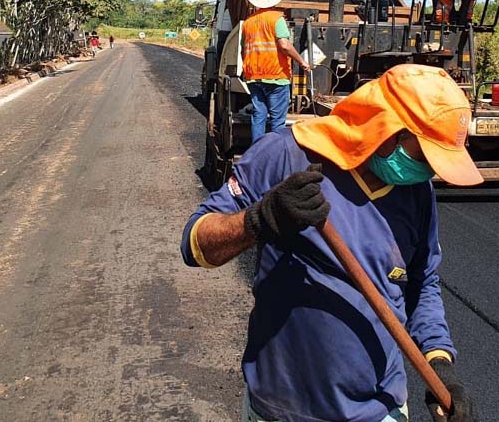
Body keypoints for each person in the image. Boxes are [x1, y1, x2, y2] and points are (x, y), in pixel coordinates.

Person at [181, 64, 483, 422]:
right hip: (283, 410)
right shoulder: (286, 156)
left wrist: (440, 360)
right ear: (387, 129)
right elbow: (195, 243)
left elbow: (423, 282)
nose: (430, 171)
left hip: (380, 408)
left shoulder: (416, 193)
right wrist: (260, 220)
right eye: (425, 155)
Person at [240, 0, 311, 143]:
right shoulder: (277, 19)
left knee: (259, 116)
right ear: (275, 0)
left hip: (254, 77)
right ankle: (275, 155)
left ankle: (257, 152)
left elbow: (243, 49)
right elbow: (284, 45)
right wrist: (301, 61)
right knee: (277, 121)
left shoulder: (248, 22)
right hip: (275, 77)